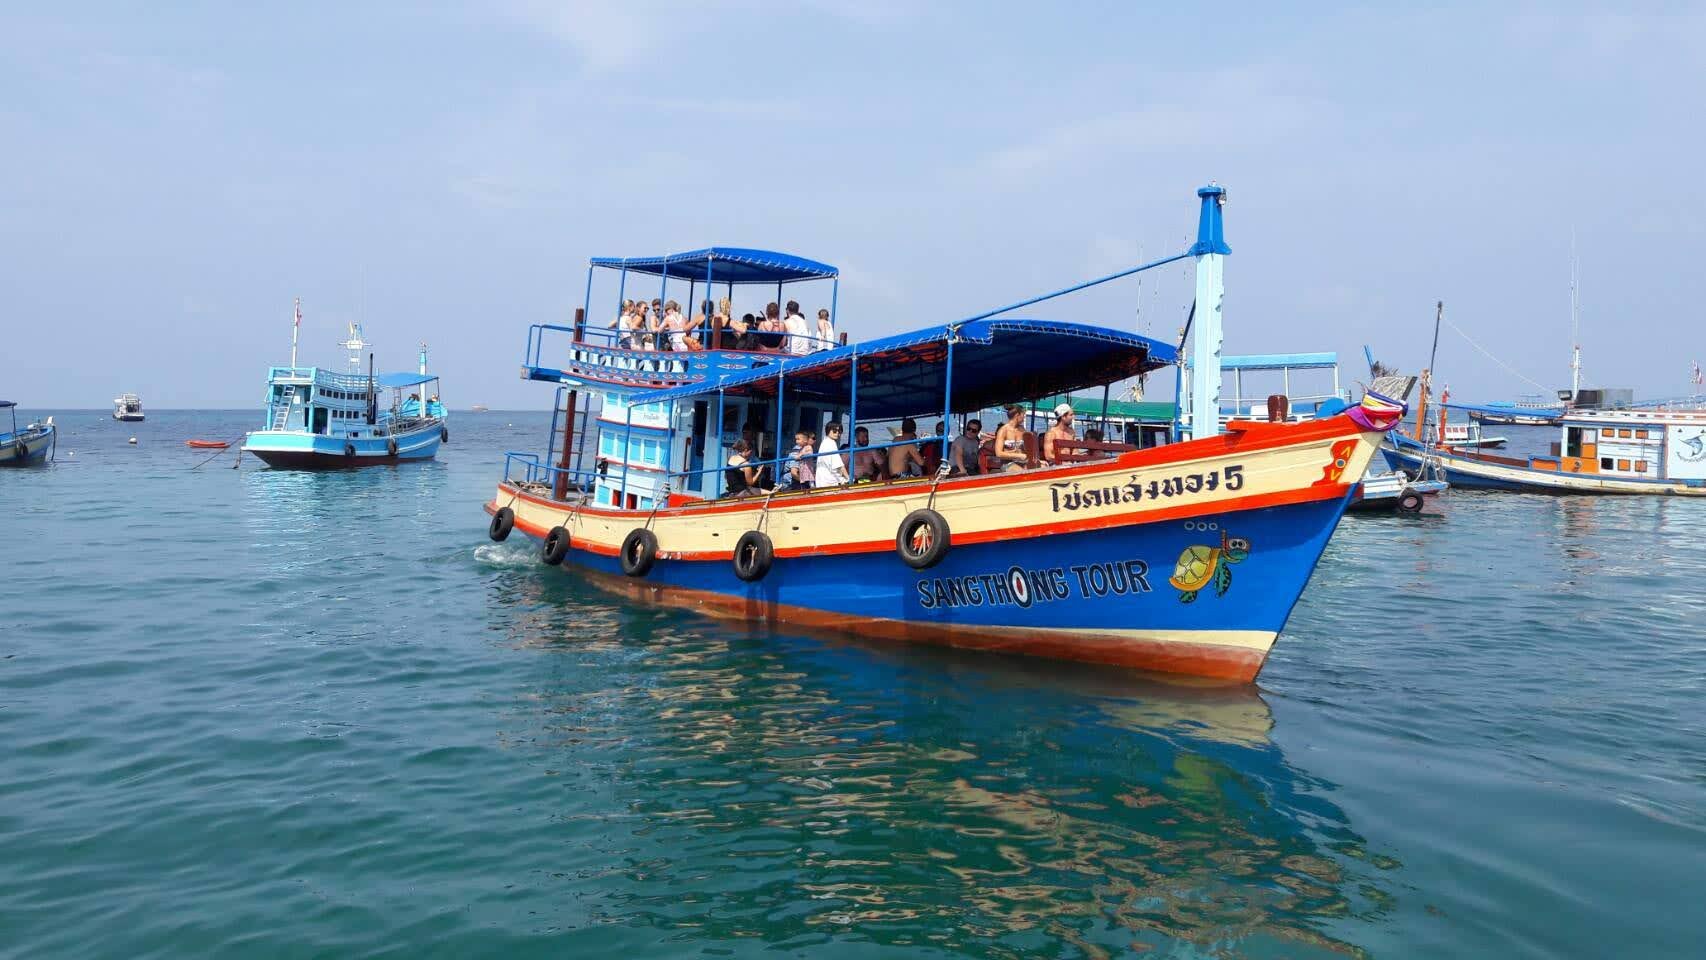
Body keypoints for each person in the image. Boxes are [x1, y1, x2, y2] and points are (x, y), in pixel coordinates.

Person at [814, 421, 851, 487]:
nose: (837, 433)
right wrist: (848, 478)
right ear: (828, 430)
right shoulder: (831, 443)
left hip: (821, 481)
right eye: (834, 431)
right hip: (829, 482)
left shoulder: (824, 442)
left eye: (839, 431)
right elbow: (838, 465)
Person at [994, 404, 1029, 472]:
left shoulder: (1022, 429)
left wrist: (1038, 461)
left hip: (1022, 461)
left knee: (1043, 467)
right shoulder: (1003, 430)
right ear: (1017, 415)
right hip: (1007, 463)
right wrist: (1019, 456)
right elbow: (998, 453)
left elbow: (1027, 449)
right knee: (1022, 472)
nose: (1024, 417)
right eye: (1023, 415)